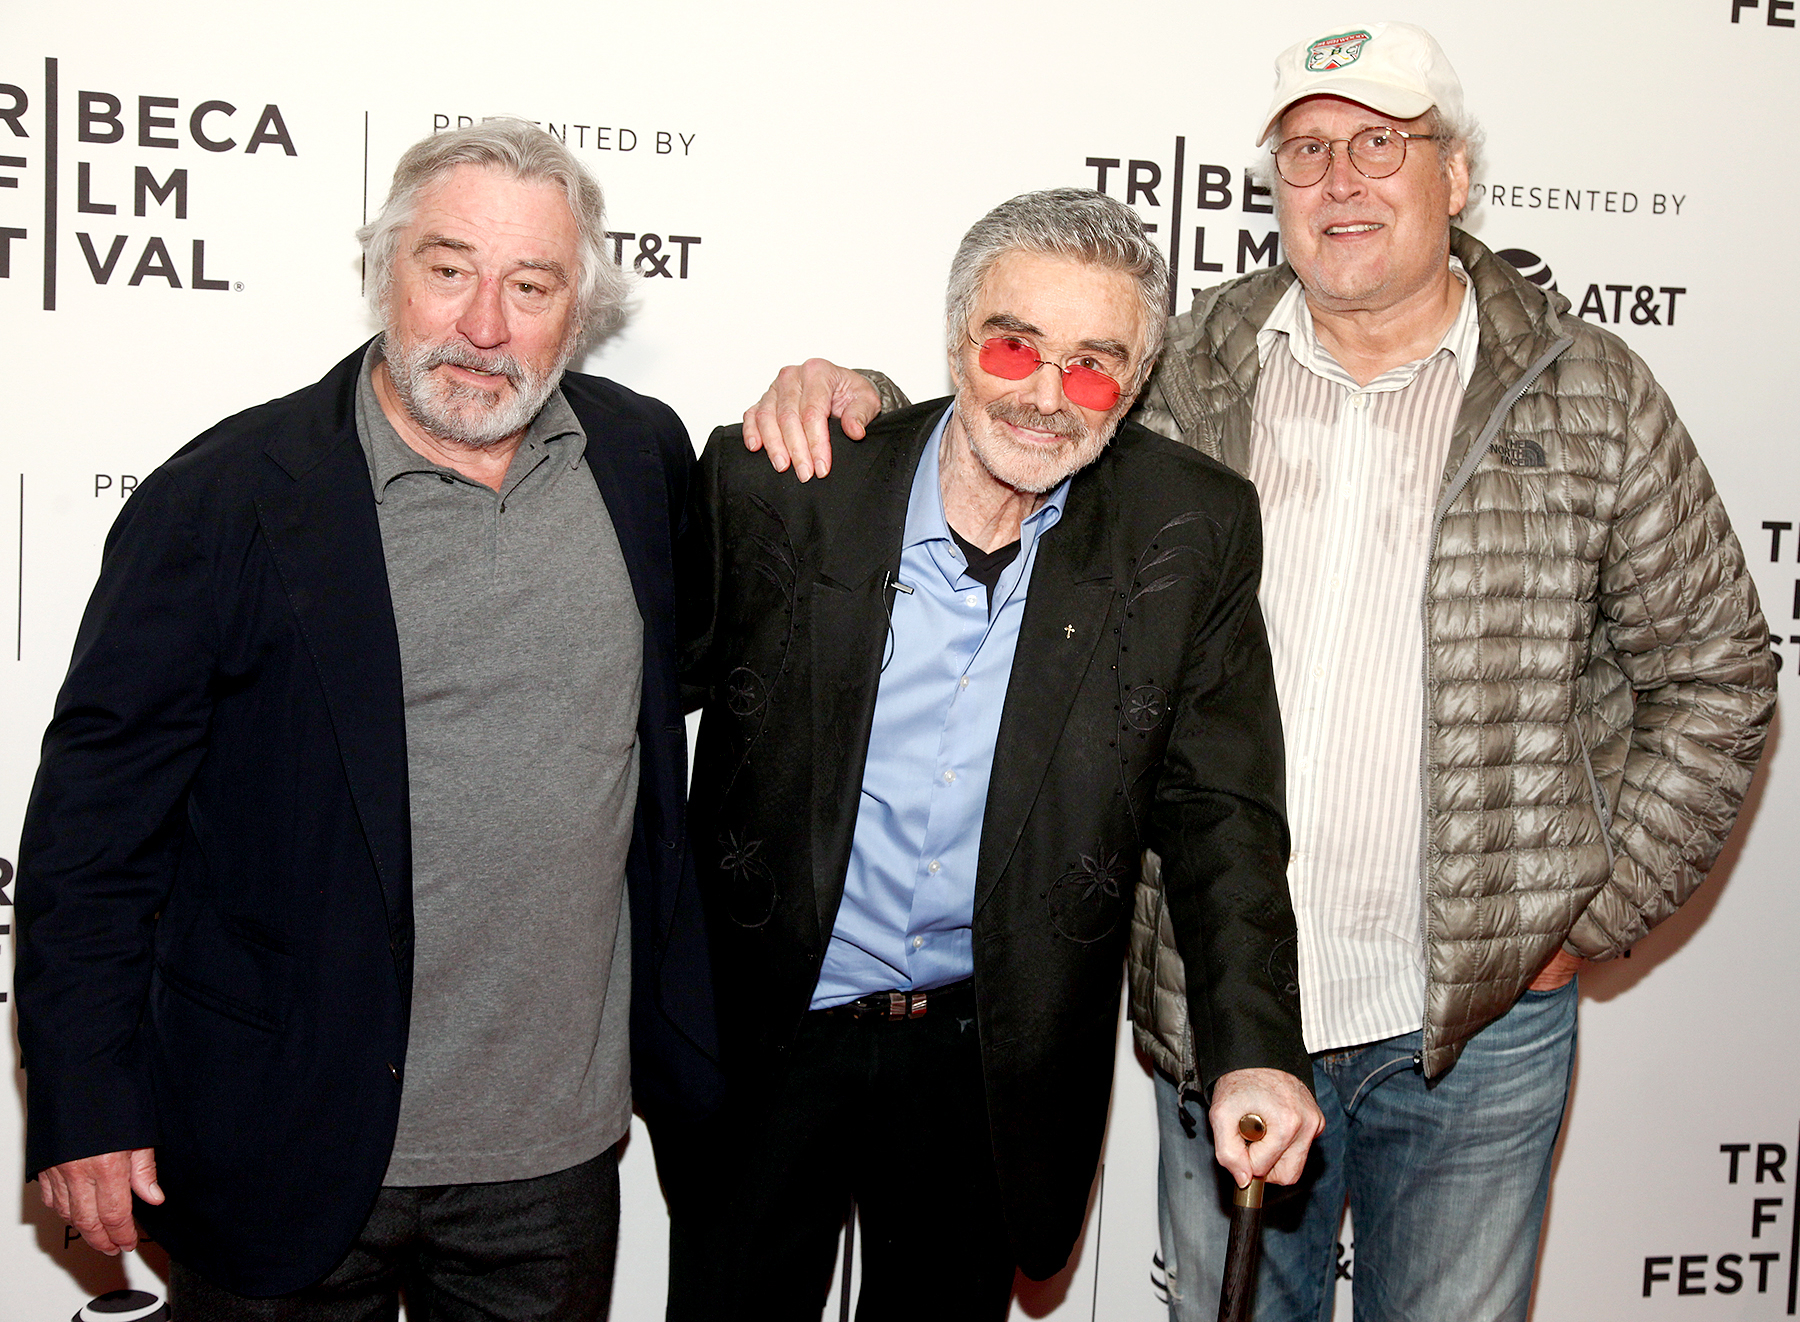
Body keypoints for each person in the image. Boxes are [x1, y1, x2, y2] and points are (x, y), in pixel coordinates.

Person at [734, 21, 1776, 1321]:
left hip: (1476, 1032)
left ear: (1456, 177)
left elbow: (1722, 676)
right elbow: (1023, 420)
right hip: (1215, 1012)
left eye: (1379, 144)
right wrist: (852, 393)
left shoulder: (1591, 393)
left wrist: (1583, 920)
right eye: (1304, 150)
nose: (1339, 178)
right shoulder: (1185, 368)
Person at [14, 119, 718, 1320]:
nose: (484, 325)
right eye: (449, 269)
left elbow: (702, 676)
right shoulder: (228, 495)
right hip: (276, 1130)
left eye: (530, 284)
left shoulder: (639, 459)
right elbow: (93, 830)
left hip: (548, 1160)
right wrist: (85, 1097)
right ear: (386, 269)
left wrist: (840, 389)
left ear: (578, 305)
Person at [679, 187, 1321, 1322]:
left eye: (1092, 365)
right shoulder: (783, 482)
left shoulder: (1190, 527)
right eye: (1015, 344)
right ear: (956, 339)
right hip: (770, 1037)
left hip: (987, 1062)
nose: (1042, 394)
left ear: (1133, 386)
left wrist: (1255, 1050)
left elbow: (1222, 812)